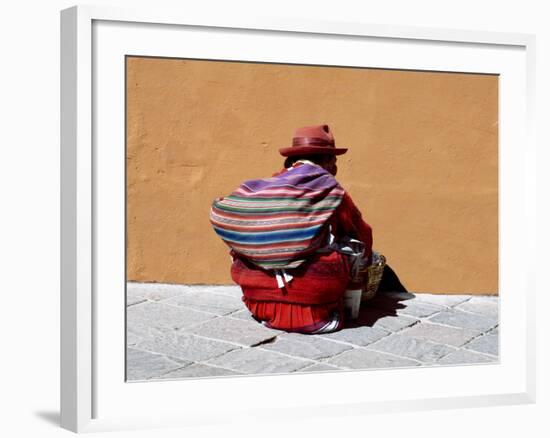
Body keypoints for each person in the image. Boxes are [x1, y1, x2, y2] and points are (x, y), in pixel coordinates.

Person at [210, 124, 385, 334]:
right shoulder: (331, 190)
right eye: (334, 161)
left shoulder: (269, 188)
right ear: (327, 161)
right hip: (316, 310)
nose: (335, 168)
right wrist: (362, 270)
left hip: (259, 305)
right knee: (350, 247)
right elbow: (361, 233)